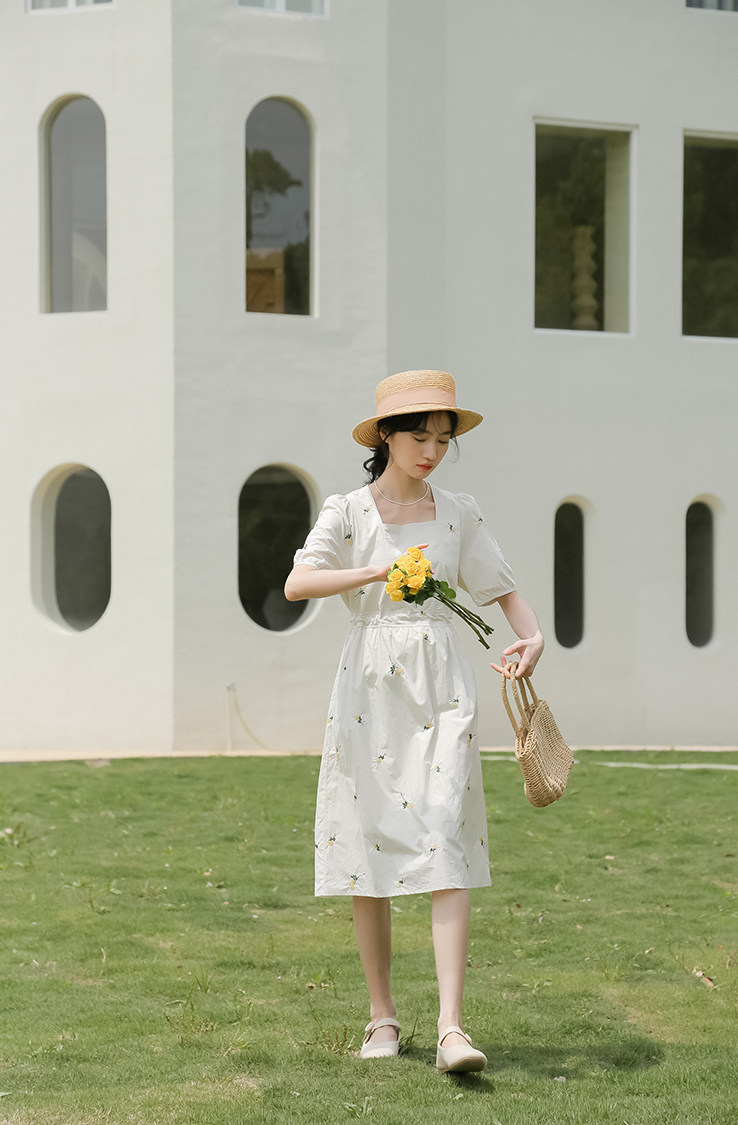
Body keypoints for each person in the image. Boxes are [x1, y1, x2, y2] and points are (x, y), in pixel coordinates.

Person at [284, 369, 544, 1073]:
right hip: (369, 689)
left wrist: (533, 637)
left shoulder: (458, 512)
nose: (432, 451)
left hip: (443, 686)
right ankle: (382, 1017)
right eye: (420, 436)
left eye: (443, 439)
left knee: (445, 837)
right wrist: (377, 572)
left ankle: (453, 1027)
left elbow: (503, 590)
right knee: (367, 850)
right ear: (386, 438)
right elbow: (299, 581)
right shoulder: (348, 512)